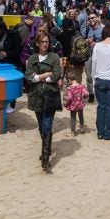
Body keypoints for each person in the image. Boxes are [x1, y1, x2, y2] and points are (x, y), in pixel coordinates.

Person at [25, 31, 62, 170]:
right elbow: (29, 76)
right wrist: (46, 74)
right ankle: (47, 148)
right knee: (41, 125)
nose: (45, 44)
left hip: (50, 95)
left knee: (47, 125)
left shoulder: (54, 57)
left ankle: (45, 157)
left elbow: (57, 74)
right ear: (37, 43)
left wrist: (40, 77)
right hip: (36, 95)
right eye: (42, 42)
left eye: (47, 41)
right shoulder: (33, 58)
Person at [64, 71, 89, 135]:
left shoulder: (70, 88)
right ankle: (82, 128)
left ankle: (73, 131)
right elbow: (86, 93)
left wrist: (66, 102)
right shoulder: (81, 86)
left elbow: (70, 98)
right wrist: (83, 97)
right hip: (80, 104)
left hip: (73, 105)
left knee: (73, 118)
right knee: (81, 116)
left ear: (69, 80)